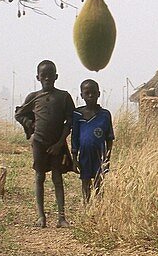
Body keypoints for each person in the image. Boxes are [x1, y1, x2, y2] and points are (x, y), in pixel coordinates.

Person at [15, 60, 76, 228]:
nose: (47, 79)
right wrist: (31, 125)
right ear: (38, 77)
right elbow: (19, 114)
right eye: (44, 76)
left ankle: (61, 218)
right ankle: (41, 217)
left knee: (57, 178)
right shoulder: (34, 97)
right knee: (39, 177)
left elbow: (70, 121)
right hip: (39, 143)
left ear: (56, 77)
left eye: (51, 76)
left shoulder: (64, 97)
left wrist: (60, 142)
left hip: (57, 144)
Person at [71, 78, 114, 204]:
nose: (90, 96)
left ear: (99, 94)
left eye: (93, 93)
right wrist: (74, 158)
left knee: (99, 182)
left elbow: (109, 138)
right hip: (84, 155)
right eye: (87, 93)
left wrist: (107, 158)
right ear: (82, 95)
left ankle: (99, 207)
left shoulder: (105, 115)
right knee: (85, 181)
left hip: (99, 155)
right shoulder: (78, 114)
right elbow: (75, 137)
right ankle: (87, 206)